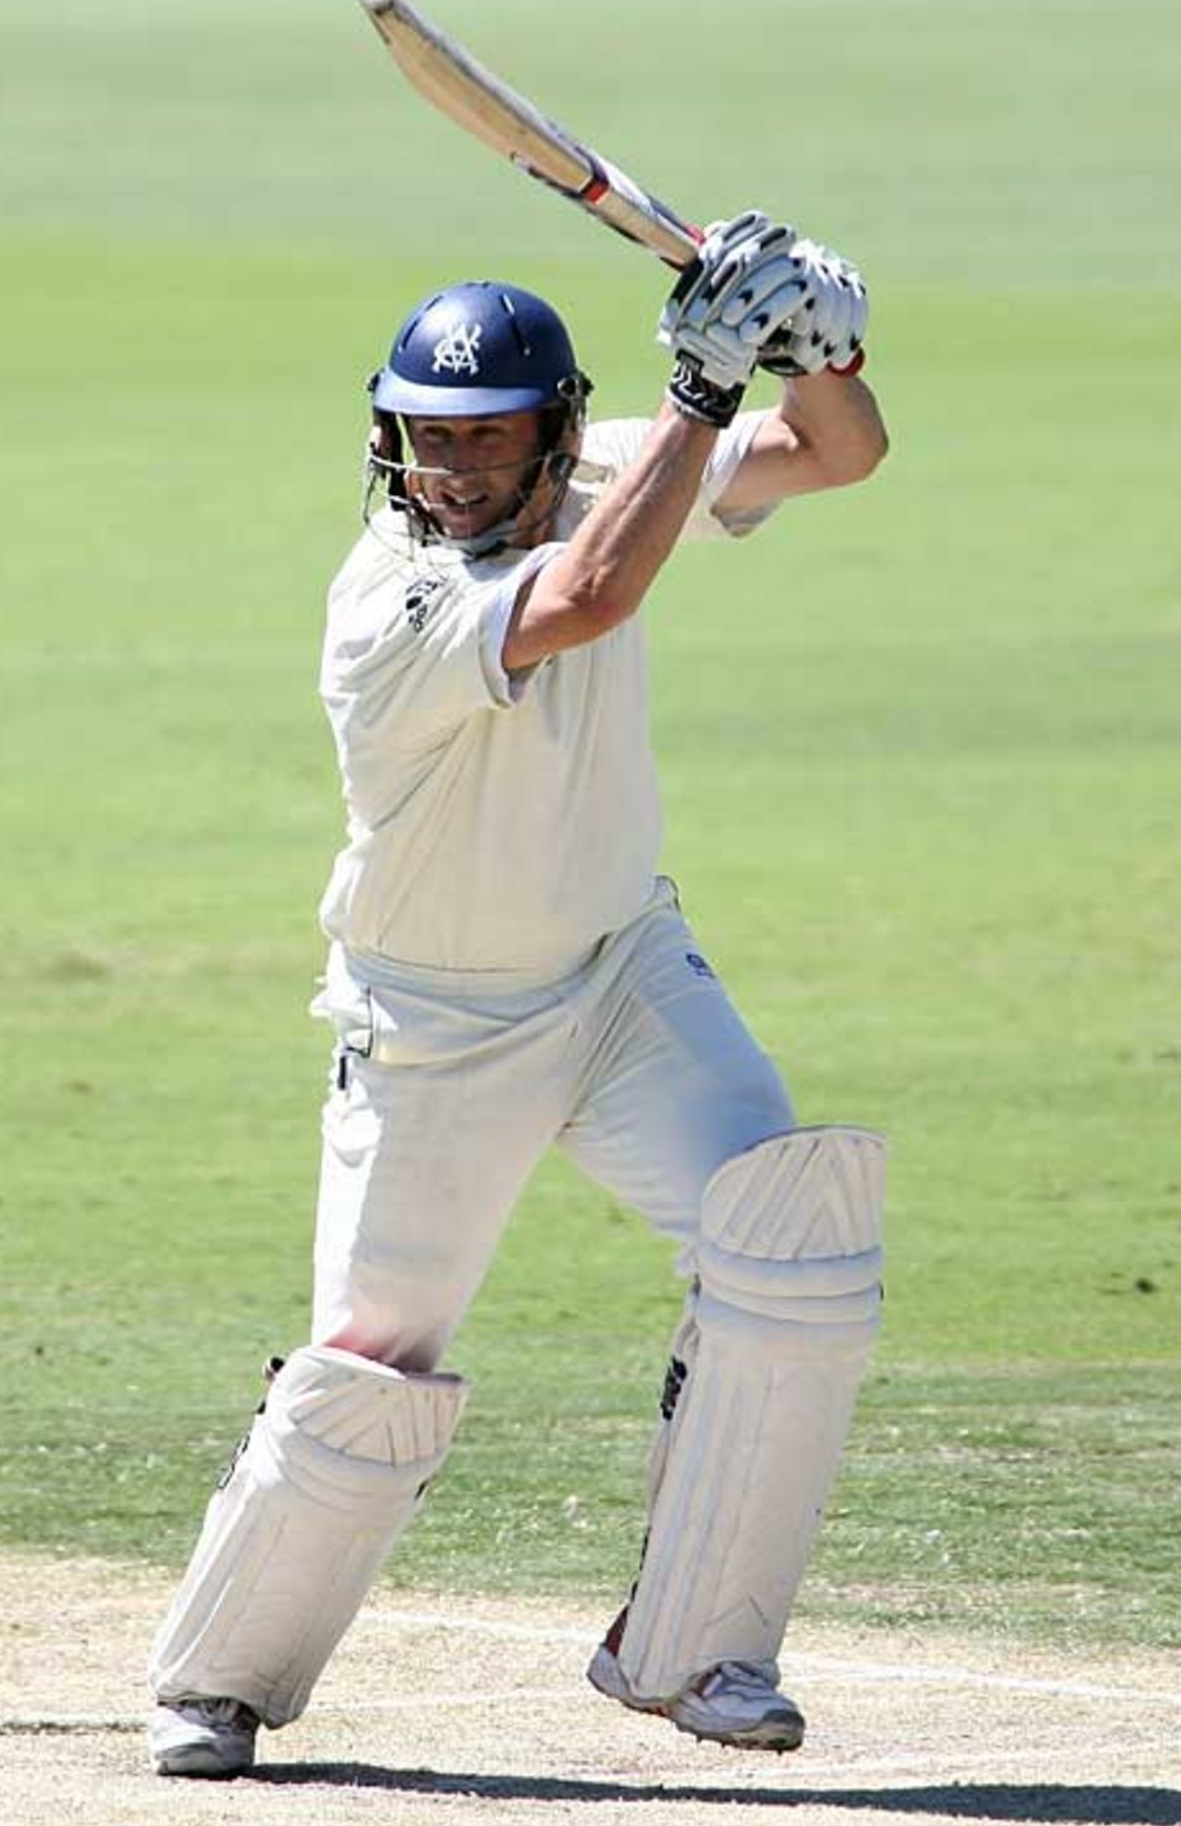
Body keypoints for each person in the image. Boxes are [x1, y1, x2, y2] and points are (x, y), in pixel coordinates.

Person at [146, 211, 890, 1777]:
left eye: (490, 440)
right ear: (386, 439)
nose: (458, 471)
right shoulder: (387, 606)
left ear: (557, 431)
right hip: (434, 1020)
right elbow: (587, 603)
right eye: (428, 439)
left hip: (622, 976)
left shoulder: (624, 462)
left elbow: (842, 454)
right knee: (372, 1365)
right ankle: (220, 1672)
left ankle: (694, 1649)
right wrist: (697, 393)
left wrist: (821, 342)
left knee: (794, 1233)